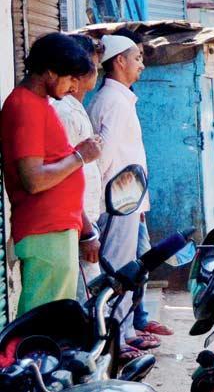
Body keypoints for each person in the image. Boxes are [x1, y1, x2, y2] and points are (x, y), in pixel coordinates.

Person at [1, 33, 101, 315]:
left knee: (54, 318)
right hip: (45, 230)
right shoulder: (25, 106)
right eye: (70, 78)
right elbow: (33, 179)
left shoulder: (39, 104)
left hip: (55, 229)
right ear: (49, 72)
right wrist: (81, 157)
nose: (73, 87)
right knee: (43, 322)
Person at [87, 33, 156, 358]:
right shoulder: (113, 102)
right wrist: (98, 205)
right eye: (137, 58)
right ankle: (116, 337)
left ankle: (126, 331)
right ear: (119, 62)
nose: (141, 65)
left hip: (128, 200)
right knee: (117, 270)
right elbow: (104, 157)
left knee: (129, 267)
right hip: (116, 202)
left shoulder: (121, 99)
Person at [52, 35, 107, 298]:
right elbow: (66, 175)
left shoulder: (75, 109)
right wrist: (86, 232)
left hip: (81, 220)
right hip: (75, 223)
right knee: (85, 299)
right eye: (94, 65)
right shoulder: (63, 111)